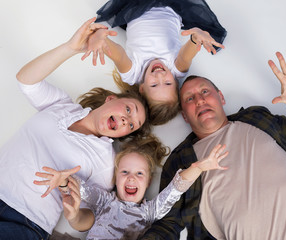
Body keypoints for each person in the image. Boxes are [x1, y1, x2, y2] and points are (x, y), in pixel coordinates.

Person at [141, 50, 286, 240]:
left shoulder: (255, 119)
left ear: (221, 97)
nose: (200, 100)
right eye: (190, 99)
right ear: (184, 115)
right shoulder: (181, 161)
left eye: (205, 91)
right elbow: (167, 222)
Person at [0, 18, 149, 240]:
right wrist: (70, 48)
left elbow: (97, 213)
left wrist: (74, 214)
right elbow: (26, 81)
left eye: (131, 125)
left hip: (26, 220)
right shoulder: (62, 105)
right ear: (110, 99)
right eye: (128, 110)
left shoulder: (106, 162)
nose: (126, 121)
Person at [34, 135, 228, 240]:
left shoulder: (150, 211)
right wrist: (63, 181)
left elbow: (175, 189)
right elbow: (81, 188)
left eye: (139, 174)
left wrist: (199, 167)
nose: (131, 178)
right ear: (116, 178)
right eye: (125, 172)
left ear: (149, 181)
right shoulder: (104, 201)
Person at [81, 0, 227, 125]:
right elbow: (186, 56)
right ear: (176, 82)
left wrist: (102, 39)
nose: (160, 76)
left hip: (136, 6)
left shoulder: (133, 73)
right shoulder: (176, 69)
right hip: (171, 5)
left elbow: (118, 56)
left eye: (154, 85)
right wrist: (196, 37)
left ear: (143, 88)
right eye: (168, 83)